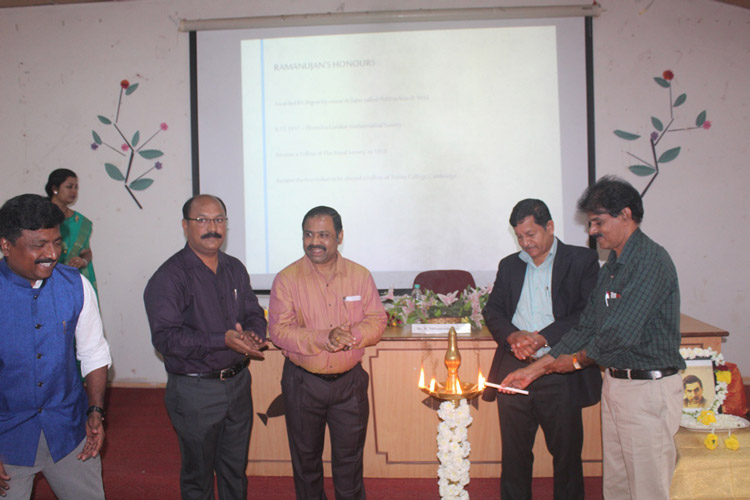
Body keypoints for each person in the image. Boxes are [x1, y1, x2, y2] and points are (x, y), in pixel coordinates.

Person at [500, 176, 685, 500]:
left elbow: (618, 335)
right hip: (616, 383)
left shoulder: (650, 260)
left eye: (598, 222)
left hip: (647, 388)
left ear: (625, 215)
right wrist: (533, 371)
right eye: (590, 223)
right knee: (617, 484)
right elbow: (587, 326)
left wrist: (570, 362)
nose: (592, 231)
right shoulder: (613, 264)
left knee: (647, 487)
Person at [143, 194, 267, 500]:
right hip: (195, 391)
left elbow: (252, 310)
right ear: (185, 225)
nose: (213, 227)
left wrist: (254, 334)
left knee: (235, 470)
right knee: (198, 476)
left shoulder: (234, 267)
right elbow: (165, 339)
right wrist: (221, 339)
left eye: (219, 219)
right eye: (202, 220)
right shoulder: (169, 277)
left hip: (238, 383)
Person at [481, 198, 601, 500]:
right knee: (514, 453)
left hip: (558, 367)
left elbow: (587, 313)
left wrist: (542, 338)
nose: (525, 243)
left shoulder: (581, 260)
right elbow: (493, 311)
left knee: (566, 454)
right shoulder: (509, 265)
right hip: (514, 367)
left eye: (531, 234)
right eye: (519, 236)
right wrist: (513, 336)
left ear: (550, 226)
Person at [268, 206, 387, 500]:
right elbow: (279, 332)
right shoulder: (287, 279)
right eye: (308, 235)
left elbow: (377, 320)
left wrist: (350, 337)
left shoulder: (360, 275)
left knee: (349, 462)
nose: (314, 242)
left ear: (339, 237)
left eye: (323, 235)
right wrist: (325, 338)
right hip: (303, 383)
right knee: (306, 462)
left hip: (350, 385)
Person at [0, 194, 111, 500]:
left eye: (57, 243)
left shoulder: (76, 285)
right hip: (8, 439)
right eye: (39, 245)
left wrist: (95, 411)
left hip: (69, 430)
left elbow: (94, 353)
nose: (51, 254)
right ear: (6, 245)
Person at [46, 169, 97, 293]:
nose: (74, 191)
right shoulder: (41, 217)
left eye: (76, 187)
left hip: (73, 281)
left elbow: (86, 251)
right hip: (47, 278)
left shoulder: (80, 222)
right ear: (55, 189)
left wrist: (82, 261)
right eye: (69, 187)